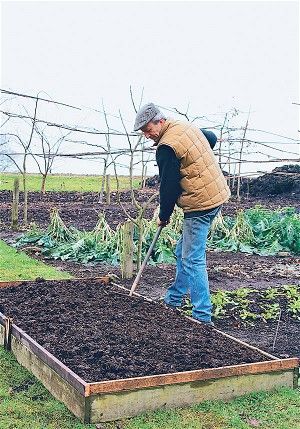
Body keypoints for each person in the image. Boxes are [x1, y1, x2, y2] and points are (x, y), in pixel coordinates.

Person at [133, 103, 231, 326]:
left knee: (193, 259)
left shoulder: (166, 147)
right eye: (144, 133)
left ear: (160, 121)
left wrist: (164, 215)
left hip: (200, 203)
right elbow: (211, 137)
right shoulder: (184, 127)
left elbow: (168, 186)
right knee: (183, 251)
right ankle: (174, 299)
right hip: (217, 195)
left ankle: (202, 317)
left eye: (148, 130)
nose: (147, 136)